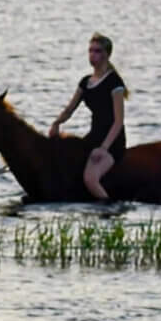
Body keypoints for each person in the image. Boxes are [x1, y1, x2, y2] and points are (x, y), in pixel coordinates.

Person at [49, 33, 128, 200]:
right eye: (90, 51)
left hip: (112, 140)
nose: (92, 55)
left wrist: (104, 148)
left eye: (97, 51)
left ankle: (110, 208)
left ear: (106, 54)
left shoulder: (114, 82)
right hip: (94, 136)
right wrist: (56, 123)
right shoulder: (86, 82)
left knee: (90, 179)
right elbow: (70, 109)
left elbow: (118, 121)